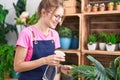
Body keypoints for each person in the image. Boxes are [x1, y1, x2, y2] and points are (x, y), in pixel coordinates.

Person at [14, 0, 72, 80]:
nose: (59, 21)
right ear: (43, 12)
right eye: (56, 16)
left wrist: (60, 68)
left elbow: (50, 64)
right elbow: (17, 67)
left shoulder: (54, 35)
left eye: (61, 17)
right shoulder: (27, 33)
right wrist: (44, 60)